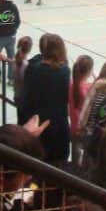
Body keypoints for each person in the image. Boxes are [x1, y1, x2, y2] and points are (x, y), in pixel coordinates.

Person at [19, 32, 70, 165]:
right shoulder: (63, 71)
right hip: (56, 124)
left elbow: (27, 96)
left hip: (34, 120)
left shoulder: (33, 67)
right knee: (56, 163)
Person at [68, 54, 95, 166]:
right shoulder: (88, 88)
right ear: (89, 71)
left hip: (74, 127)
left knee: (75, 155)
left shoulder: (71, 85)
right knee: (87, 158)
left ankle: (75, 172)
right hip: (85, 129)